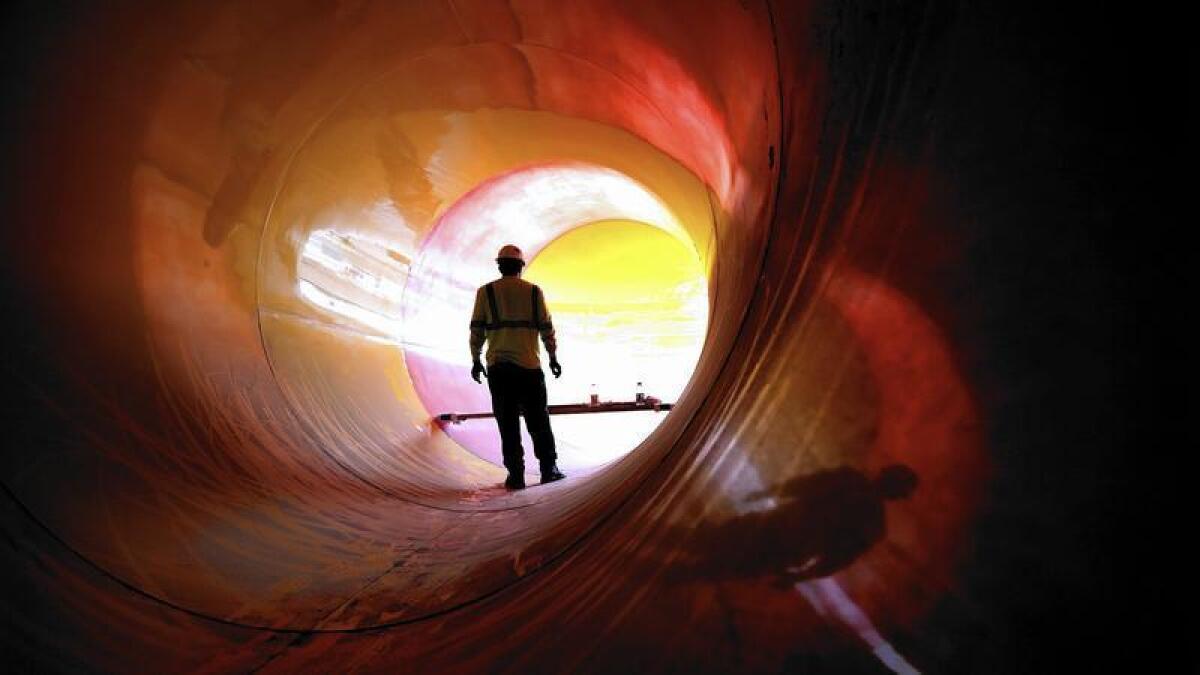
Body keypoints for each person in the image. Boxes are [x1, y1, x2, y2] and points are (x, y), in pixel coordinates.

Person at [469, 244, 565, 490]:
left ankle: (516, 475)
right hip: (529, 368)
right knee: (538, 421)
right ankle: (548, 469)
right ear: (521, 267)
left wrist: (475, 359)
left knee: (507, 423)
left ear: (500, 266)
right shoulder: (534, 292)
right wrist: (553, 357)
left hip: (499, 369)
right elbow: (547, 330)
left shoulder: (485, 292)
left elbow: (477, 331)